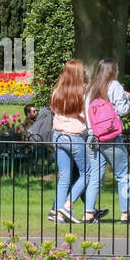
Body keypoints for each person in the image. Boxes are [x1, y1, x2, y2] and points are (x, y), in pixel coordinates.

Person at [84, 58, 130, 224]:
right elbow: (122, 111)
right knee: (124, 176)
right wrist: (127, 98)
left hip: (93, 138)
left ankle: (88, 214)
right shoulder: (114, 86)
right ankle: (126, 214)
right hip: (111, 137)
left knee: (95, 177)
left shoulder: (90, 88)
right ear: (112, 71)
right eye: (117, 69)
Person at [48, 60, 92, 223]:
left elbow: (54, 110)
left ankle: (58, 213)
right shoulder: (80, 94)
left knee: (65, 176)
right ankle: (68, 205)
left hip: (58, 136)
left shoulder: (57, 92)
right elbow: (86, 116)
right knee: (88, 173)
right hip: (74, 137)